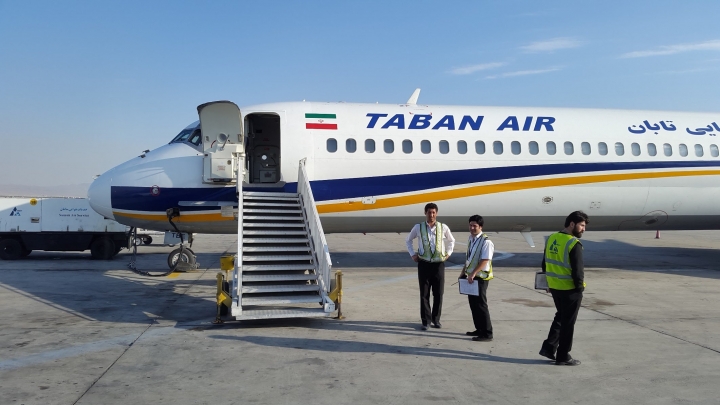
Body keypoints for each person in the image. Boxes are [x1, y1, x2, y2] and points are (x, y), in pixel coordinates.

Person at [539, 211, 589, 366]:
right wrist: (579, 288)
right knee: (568, 323)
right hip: (570, 289)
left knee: (561, 317)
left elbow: (544, 263)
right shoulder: (573, 243)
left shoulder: (552, 238)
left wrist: (548, 282)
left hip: (555, 287)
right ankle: (563, 355)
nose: (583, 229)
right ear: (572, 224)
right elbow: (578, 271)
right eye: (581, 225)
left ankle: (549, 347)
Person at [406, 203, 455, 330]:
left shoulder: (443, 227)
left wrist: (448, 253)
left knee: (438, 293)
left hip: (438, 264)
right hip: (424, 264)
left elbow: (451, 240)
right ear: (425, 213)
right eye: (429, 212)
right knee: (424, 294)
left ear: (436, 213)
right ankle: (426, 321)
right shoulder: (418, 227)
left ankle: (436, 319)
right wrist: (412, 254)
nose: (431, 215)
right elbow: (408, 240)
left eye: (433, 212)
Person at [459, 215, 494, 341]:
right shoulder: (471, 239)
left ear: (481, 227)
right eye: (470, 225)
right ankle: (479, 329)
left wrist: (473, 273)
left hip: (481, 278)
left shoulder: (486, 242)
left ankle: (487, 333)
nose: (472, 228)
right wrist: (463, 273)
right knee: (473, 305)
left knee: (481, 305)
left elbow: (485, 260)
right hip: (472, 278)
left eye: (475, 226)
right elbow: (469, 259)